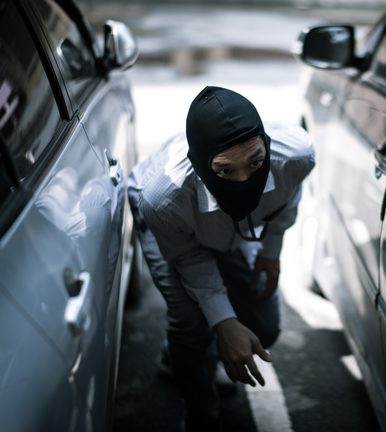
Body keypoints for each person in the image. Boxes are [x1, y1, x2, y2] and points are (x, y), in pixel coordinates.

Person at [127, 86, 315, 431]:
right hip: (174, 228)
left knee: (264, 326)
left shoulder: (297, 157)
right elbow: (189, 259)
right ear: (201, 165)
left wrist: (272, 252)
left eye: (256, 162)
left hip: (225, 227)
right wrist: (224, 322)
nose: (245, 180)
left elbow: (288, 196)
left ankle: (187, 355)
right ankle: (200, 415)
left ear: (267, 148)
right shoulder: (164, 199)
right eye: (225, 171)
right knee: (192, 322)